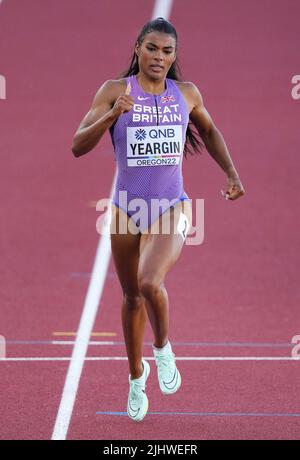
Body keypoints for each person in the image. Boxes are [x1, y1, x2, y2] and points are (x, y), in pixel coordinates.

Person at [72, 17, 245, 422]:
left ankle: (163, 348)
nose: (159, 57)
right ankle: (136, 378)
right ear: (137, 48)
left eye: (168, 51)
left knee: (151, 282)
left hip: (171, 206)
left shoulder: (186, 94)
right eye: (152, 48)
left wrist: (232, 173)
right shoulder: (115, 91)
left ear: (174, 56)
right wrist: (112, 114)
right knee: (132, 297)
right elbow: (78, 145)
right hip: (125, 210)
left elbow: (212, 130)